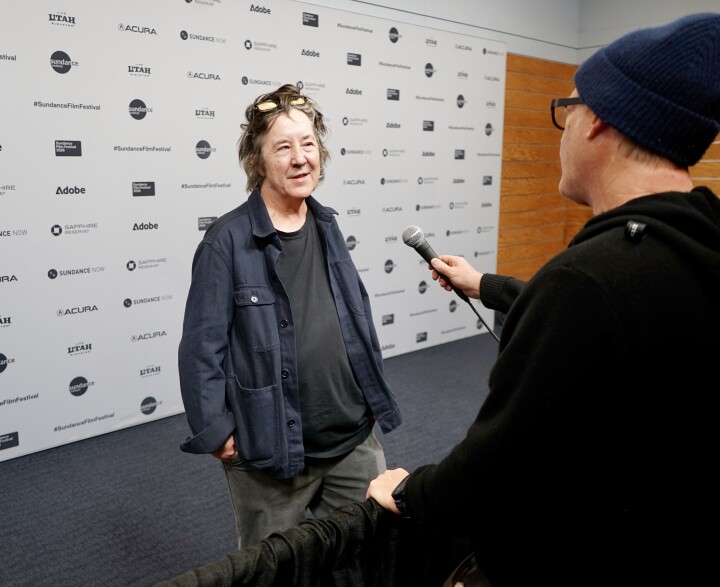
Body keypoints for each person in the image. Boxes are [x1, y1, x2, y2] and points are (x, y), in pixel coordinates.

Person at [368, 12, 720, 586]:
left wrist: (409, 491)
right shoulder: (691, 244)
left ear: (599, 121)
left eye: (569, 107)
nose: (564, 126)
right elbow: (621, 316)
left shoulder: (586, 282)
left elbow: (496, 469)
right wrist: (488, 285)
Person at [178, 83, 402, 549]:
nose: (301, 158)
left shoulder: (326, 224)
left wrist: (368, 396)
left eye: (309, 144)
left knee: (363, 555)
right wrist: (216, 430)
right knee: (275, 570)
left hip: (352, 438)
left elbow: (352, 315)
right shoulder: (226, 242)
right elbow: (201, 346)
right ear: (258, 162)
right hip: (272, 448)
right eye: (284, 147)